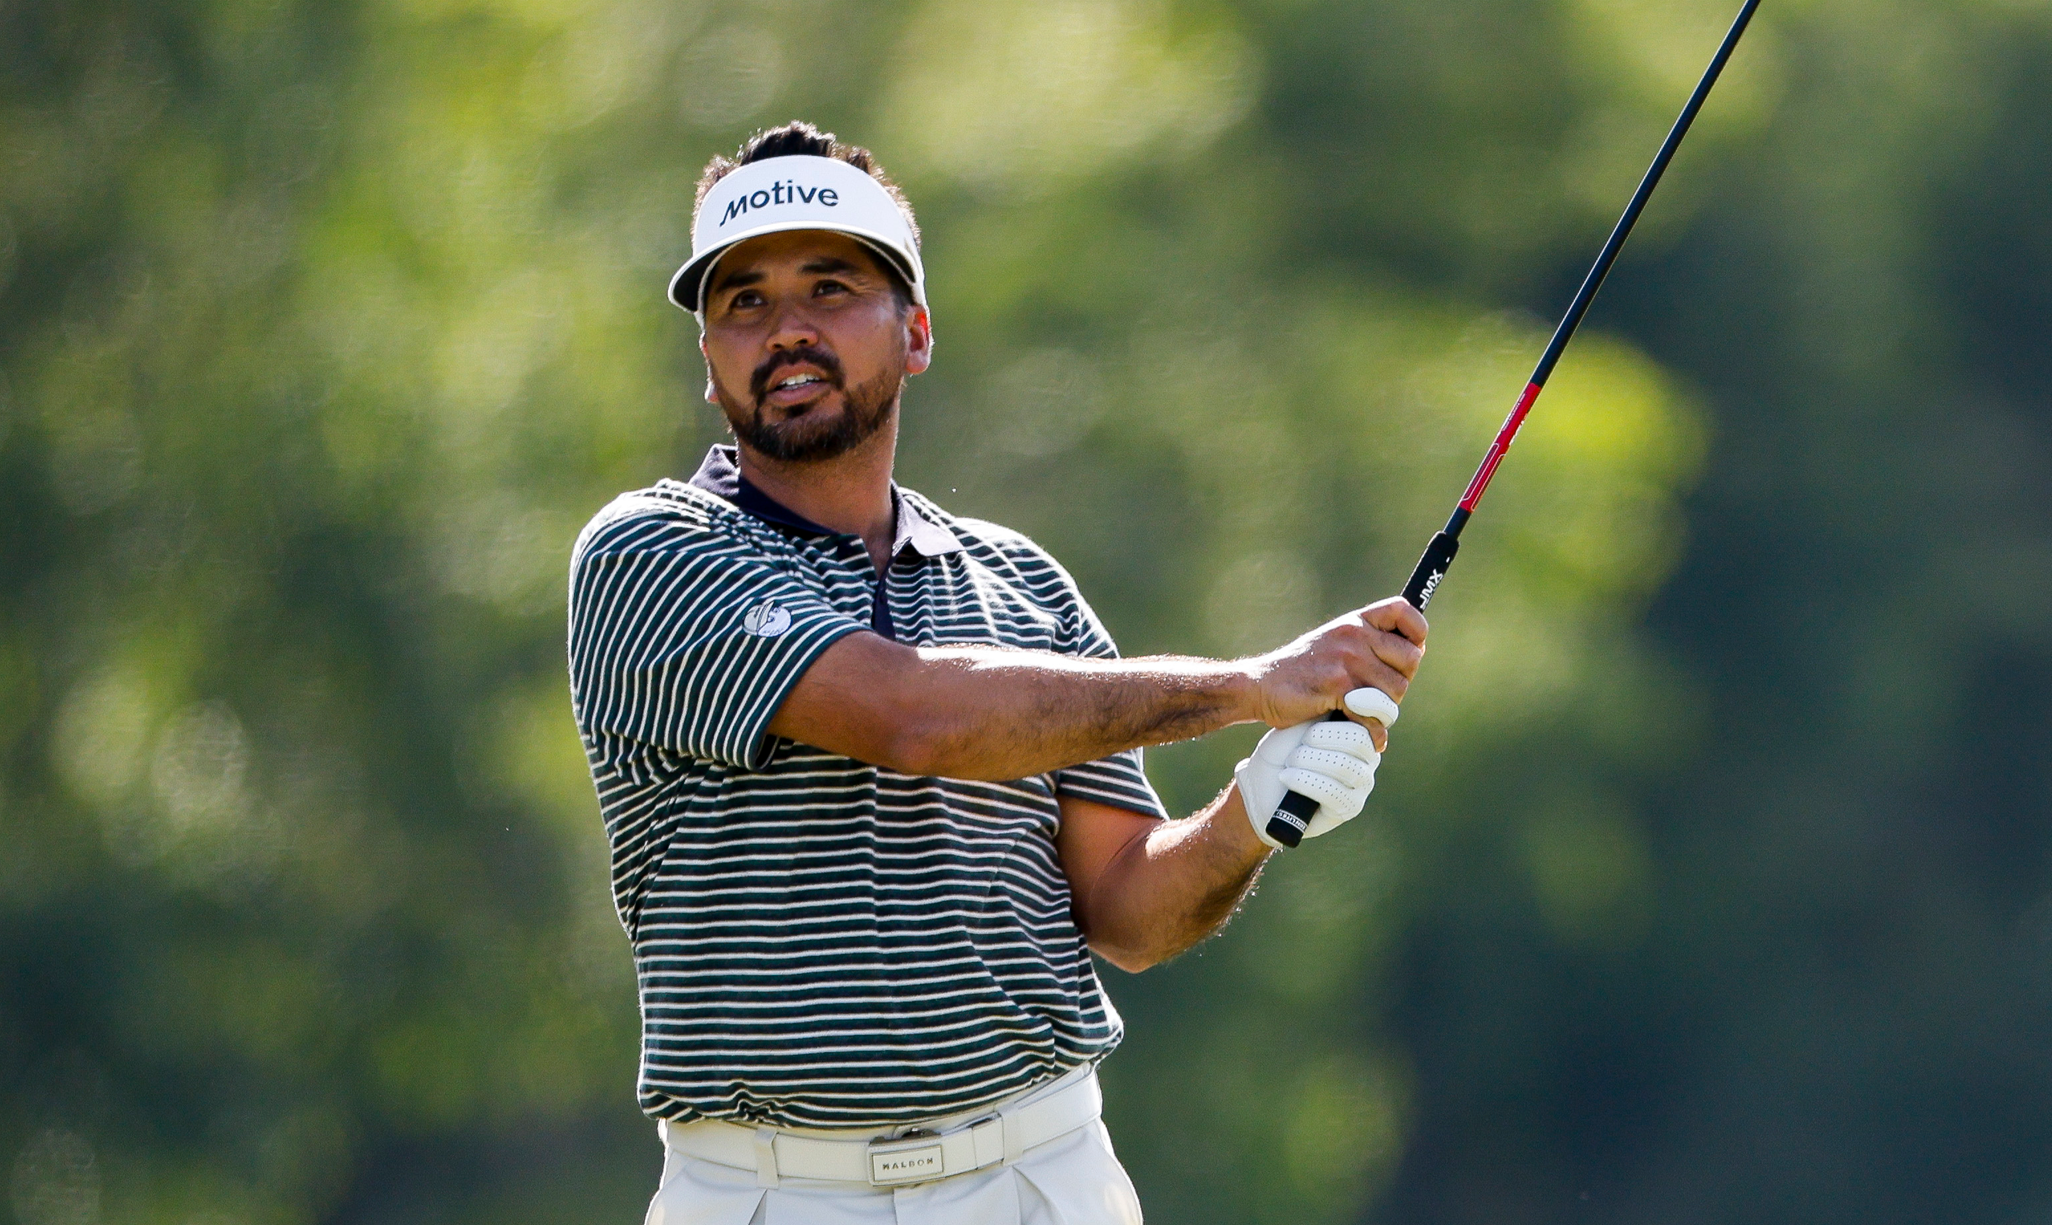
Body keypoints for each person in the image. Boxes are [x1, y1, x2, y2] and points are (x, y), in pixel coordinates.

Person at [565, 122, 1427, 1225]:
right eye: (743, 302)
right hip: (772, 1193)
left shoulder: (1021, 583)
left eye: (831, 287)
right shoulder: (650, 553)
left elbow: (1127, 912)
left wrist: (1254, 810)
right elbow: (915, 717)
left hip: (1042, 1172)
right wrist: (1253, 684)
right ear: (709, 359)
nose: (786, 330)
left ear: (915, 331)